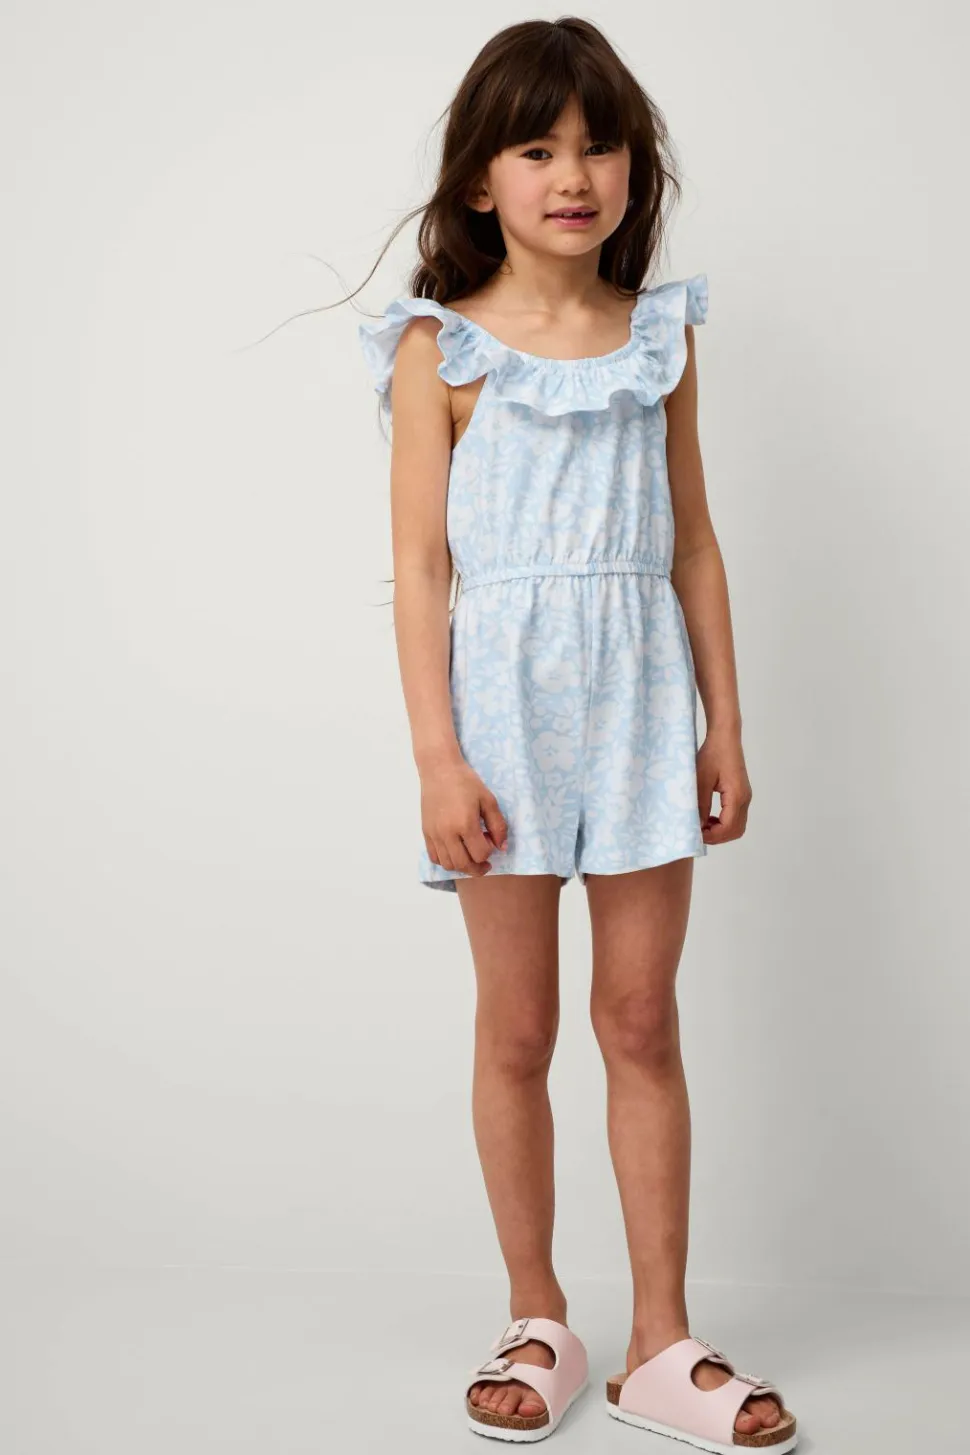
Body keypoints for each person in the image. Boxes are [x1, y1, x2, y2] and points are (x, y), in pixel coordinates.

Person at [355, 17, 798, 1452]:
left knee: (639, 1018)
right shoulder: (437, 349)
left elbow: (695, 544)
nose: (572, 176)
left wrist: (724, 724)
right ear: (480, 177)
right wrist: (438, 756)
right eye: (537, 148)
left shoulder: (660, 338)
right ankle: (537, 1313)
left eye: (599, 147)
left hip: (640, 704)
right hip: (498, 717)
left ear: (631, 170)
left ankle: (662, 1339)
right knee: (520, 1026)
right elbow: (420, 567)